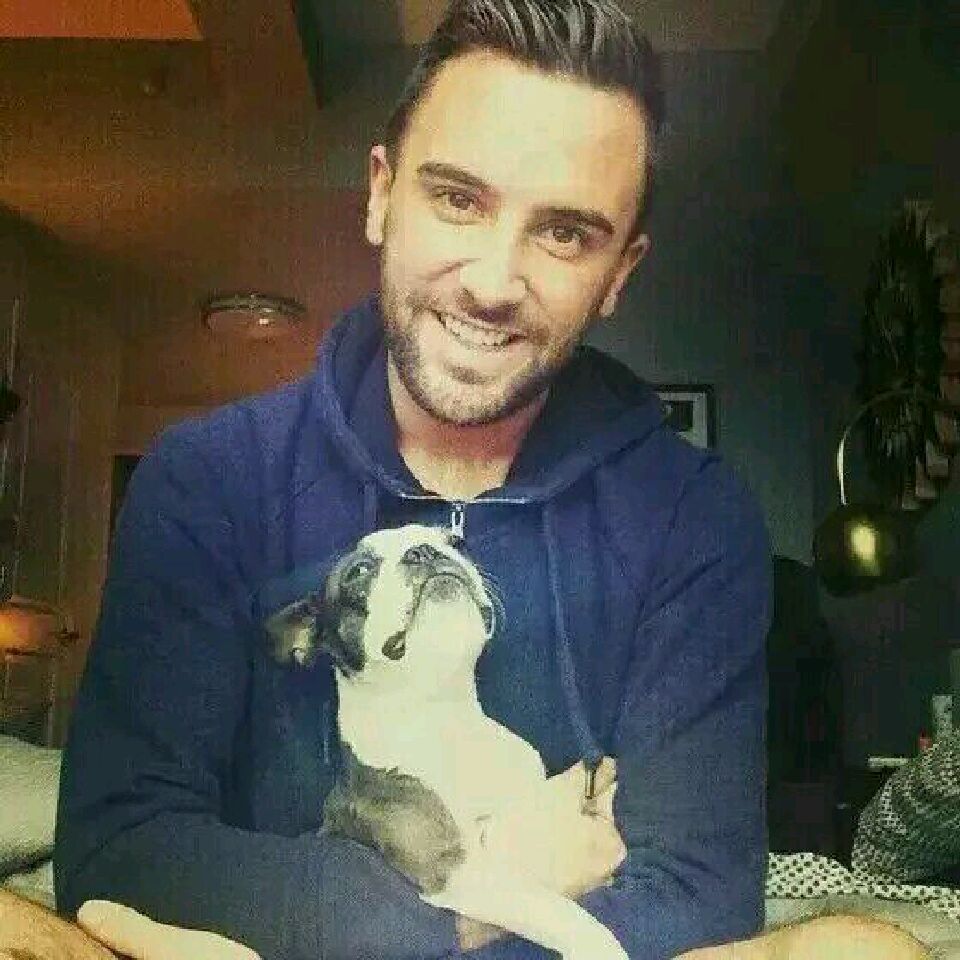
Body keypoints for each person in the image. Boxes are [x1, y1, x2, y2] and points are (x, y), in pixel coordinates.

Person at [48, 2, 886, 959]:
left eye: (564, 233)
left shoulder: (694, 519)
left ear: (620, 272)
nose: (492, 282)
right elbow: (122, 857)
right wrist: (469, 906)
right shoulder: (205, 482)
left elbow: (695, 900)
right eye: (458, 199)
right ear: (380, 194)